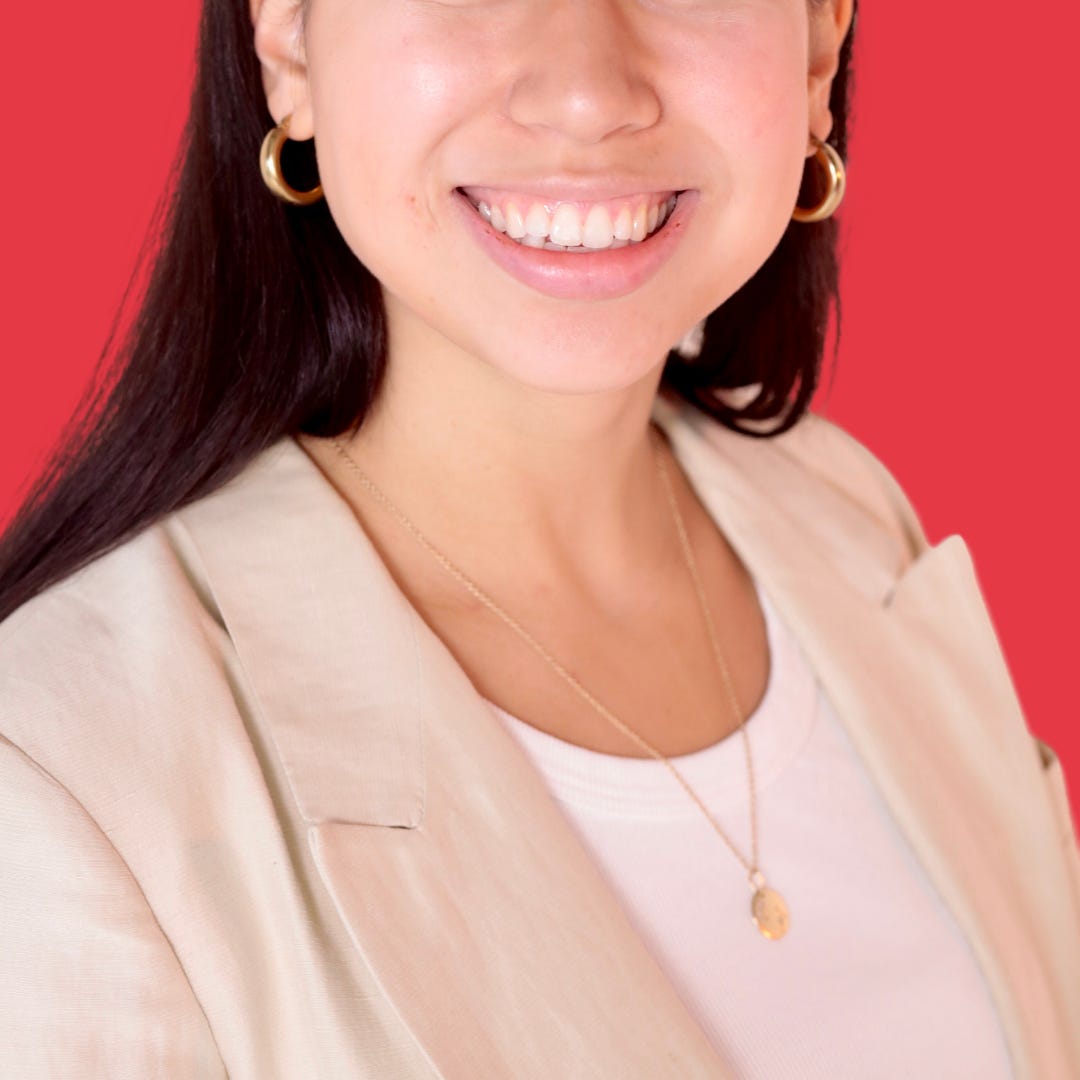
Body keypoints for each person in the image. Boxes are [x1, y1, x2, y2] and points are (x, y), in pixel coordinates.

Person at [0, 0, 1077, 1076]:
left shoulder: (850, 517)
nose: (587, 92)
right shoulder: (62, 786)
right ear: (288, 39)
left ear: (819, 41)